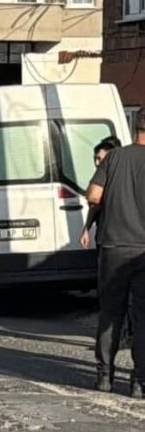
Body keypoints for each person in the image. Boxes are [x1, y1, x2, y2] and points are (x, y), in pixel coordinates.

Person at [86, 113, 145, 398]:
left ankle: (105, 376)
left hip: (113, 247)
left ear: (137, 127)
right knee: (142, 316)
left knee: (111, 313)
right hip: (143, 250)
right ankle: (138, 381)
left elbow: (94, 196)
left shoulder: (114, 157)